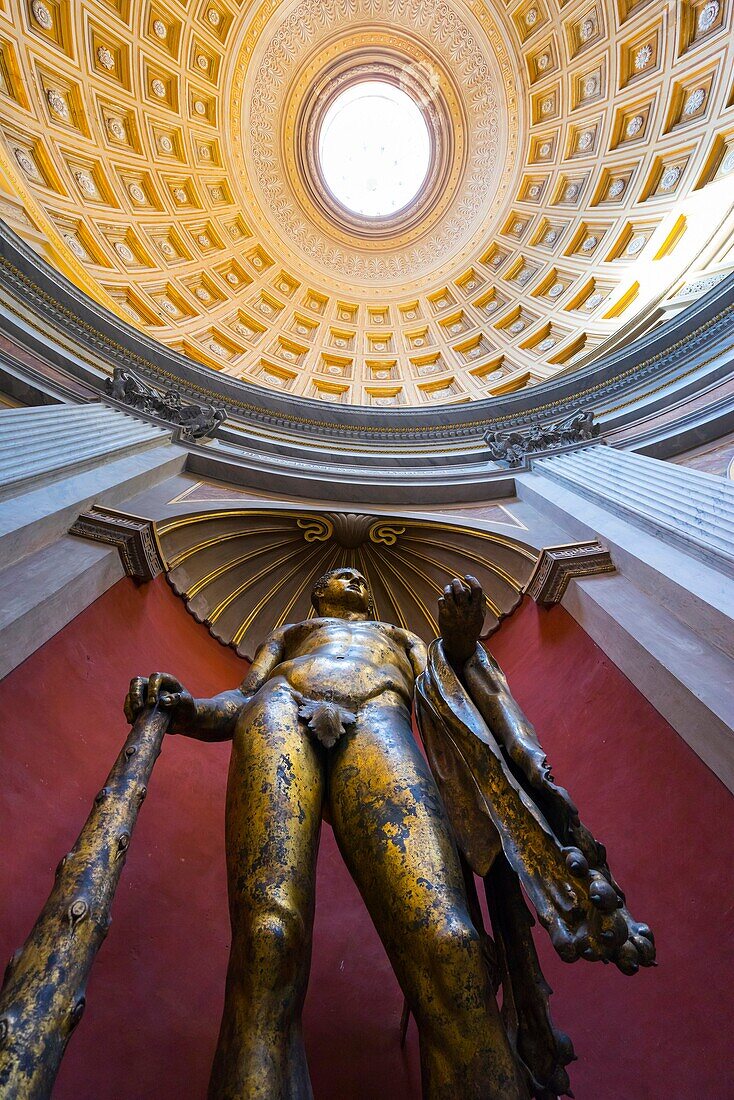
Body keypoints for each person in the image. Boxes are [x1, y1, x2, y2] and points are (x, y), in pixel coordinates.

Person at [125, 569, 528, 1100]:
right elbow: (242, 698)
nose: (354, 577)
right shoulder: (292, 634)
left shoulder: (399, 637)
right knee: (268, 938)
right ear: (317, 594)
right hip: (279, 712)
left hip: (380, 717)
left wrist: (459, 636)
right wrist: (188, 709)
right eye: (340, 574)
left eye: (361, 576)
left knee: (451, 945)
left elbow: (451, 691)